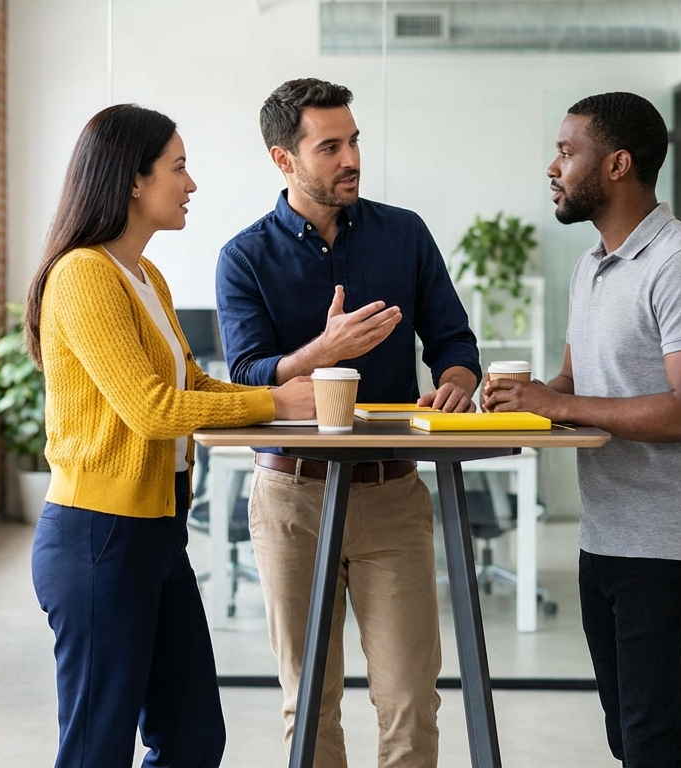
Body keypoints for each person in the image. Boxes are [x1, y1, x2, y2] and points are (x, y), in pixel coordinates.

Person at [26, 104, 315, 768]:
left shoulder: (145, 277)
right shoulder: (83, 275)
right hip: (98, 535)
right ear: (133, 179)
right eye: (178, 167)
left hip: (157, 533)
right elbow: (153, 410)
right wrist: (273, 400)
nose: (191, 184)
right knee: (96, 749)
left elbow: (192, 383)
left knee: (191, 737)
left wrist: (283, 403)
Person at [215, 78, 481, 768]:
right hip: (291, 500)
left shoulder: (406, 234)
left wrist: (455, 381)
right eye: (329, 146)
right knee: (309, 704)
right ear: (284, 159)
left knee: (410, 703)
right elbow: (247, 372)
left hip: (393, 497)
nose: (350, 157)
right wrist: (320, 354)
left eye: (353, 140)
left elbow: (454, 342)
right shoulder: (243, 257)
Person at [484, 92, 681, 768]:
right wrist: (517, 399)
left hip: (674, 545)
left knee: (655, 744)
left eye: (568, 152)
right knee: (627, 740)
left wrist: (557, 404)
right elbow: (573, 387)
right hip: (607, 535)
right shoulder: (592, 265)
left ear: (620, 164)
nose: (553, 166)